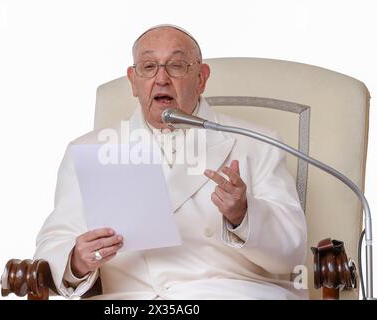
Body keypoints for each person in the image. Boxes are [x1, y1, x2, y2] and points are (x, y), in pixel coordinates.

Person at [34, 24, 308, 299]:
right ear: (133, 81)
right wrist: (78, 262)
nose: (161, 78)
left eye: (176, 66)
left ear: (201, 78)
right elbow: (52, 245)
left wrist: (244, 215)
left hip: (230, 292)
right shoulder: (90, 149)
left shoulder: (257, 143)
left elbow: (291, 254)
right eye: (149, 66)